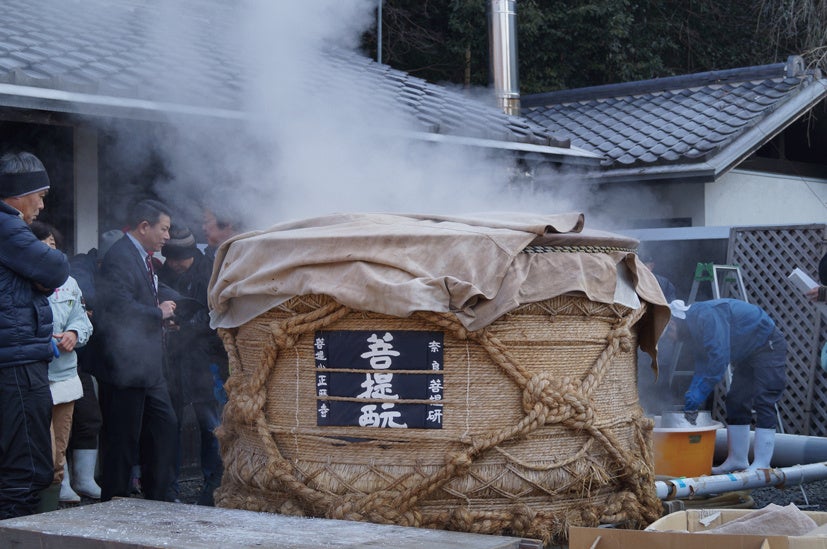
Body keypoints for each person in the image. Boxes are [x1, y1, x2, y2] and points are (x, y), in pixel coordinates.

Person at [95, 199, 180, 502]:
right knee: (123, 440)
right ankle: (113, 501)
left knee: (164, 427)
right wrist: (157, 314)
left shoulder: (141, 256)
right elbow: (118, 306)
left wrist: (163, 319)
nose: (167, 236)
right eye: (164, 228)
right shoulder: (120, 255)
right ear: (144, 226)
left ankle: (158, 496)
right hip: (125, 364)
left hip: (148, 365)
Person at [0, 150, 69, 519]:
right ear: (18, 194)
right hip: (17, 362)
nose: (42, 205)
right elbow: (55, 267)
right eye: (39, 195)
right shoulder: (7, 225)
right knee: (26, 473)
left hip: (11, 358)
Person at [669, 298, 787, 473]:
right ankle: (737, 460)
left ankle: (762, 463)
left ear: (675, 321)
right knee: (736, 401)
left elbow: (718, 358)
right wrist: (692, 397)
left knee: (764, 399)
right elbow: (703, 364)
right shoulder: (694, 331)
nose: (669, 337)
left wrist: (699, 393)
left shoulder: (705, 315)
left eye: (668, 330)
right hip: (747, 353)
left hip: (767, 344)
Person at [158, 225, 224, 505]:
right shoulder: (163, 273)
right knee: (169, 424)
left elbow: (215, 316)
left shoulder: (210, 271)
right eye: (170, 259)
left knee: (212, 426)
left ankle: (213, 487)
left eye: (179, 259)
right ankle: (168, 489)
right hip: (172, 360)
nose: (174, 264)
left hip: (205, 360)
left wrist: (183, 325)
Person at [29, 221, 93, 511]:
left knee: (57, 455)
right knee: (36, 453)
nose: (49, 251)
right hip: (31, 378)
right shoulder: (18, 280)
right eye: (42, 247)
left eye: (53, 245)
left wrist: (74, 334)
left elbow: (82, 318)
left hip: (64, 377)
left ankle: (50, 517)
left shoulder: (69, 282)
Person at [60, 229, 123, 502]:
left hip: (77, 362)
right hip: (46, 364)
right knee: (57, 427)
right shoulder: (80, 266)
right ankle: (60, 483)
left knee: (89, 418)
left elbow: (82, 319)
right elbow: (87, 296)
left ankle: (84, 480)